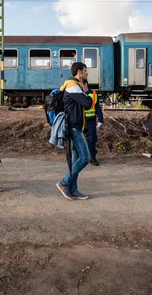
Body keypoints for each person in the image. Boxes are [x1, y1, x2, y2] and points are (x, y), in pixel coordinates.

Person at [56, 62, 94, 201]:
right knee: (85, 158)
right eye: (85, 70)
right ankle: (64, 183)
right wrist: (87, 91)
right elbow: (87, 103)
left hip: (76, 125)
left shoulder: (75, 86)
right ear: (79, 72)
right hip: (73, 126)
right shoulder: (72, 86)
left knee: (76, 158)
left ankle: (73, 189)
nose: (87, 73)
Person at [83, 79, 103, 166]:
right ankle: (82, 158)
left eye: (82, 85)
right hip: (81, 120)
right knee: (80, 139)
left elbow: (97, 107)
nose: (81, 87)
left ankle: (92, 157)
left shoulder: (93, 94)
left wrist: (100, 119)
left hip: (91, 120)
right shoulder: (78, 94)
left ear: (86, 84)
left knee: (91, 139)